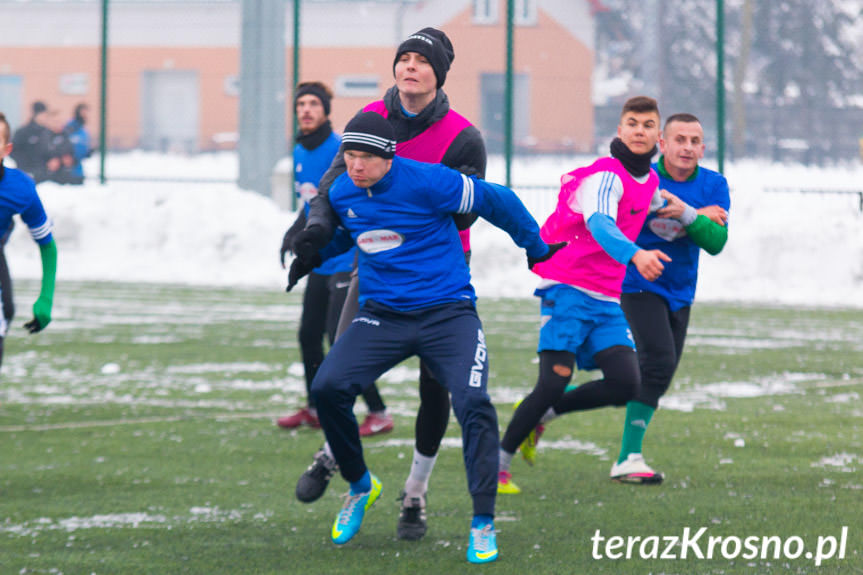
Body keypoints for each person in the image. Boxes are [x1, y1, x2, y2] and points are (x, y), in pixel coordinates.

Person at [285, 112, 562, 563]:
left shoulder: (432, 181)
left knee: (473, 403)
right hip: (384, 317)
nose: (355, 166)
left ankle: (483, 521)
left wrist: (535, 246)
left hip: (447, 315)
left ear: (388, 156)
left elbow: (499, 200)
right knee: (328, 387)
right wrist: (312, 255)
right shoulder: (343, 191)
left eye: (365, 157)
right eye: (350, 156)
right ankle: (360, 485)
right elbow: (351, 235)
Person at [289, 27, 487, 542]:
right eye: (405, 58)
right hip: (374, 268)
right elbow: (332, 188)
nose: (411, 66)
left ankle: (415, 495)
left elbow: (466, 215)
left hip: (441, 282)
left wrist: (406, 203)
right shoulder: (369, 122)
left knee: (435, 391)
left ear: (439, 74)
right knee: (341, 365)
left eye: (423, 60)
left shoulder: (464, 137)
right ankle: (337, 457)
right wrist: (312, 229)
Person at [496, 96, 668, 495]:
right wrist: (637, 254)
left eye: (647, 124)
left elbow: (655, 202)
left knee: (627, 383)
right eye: (632, 123)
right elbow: (602, 224)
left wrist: (697, 212)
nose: (639, 131)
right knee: (552, 382)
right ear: (619, 131)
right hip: (568, 288)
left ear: (657, 134)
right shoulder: (604, 176)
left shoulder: (650, 180)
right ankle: (497, 462)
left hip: (606, 300)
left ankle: (544, 416)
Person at [612, 113, 730, 483]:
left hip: (681, 291)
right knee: (658, 362)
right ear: (662, 144)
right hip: (637, 283)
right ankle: (627, 458)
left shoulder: (714, 185)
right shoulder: (642, 177)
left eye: (695, 141)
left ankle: (552, 401)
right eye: (680, 140)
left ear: (703, 148)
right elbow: (624, 219)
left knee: (646, 374)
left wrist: (689, 213)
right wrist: (690, 215)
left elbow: (716, 242)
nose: (688, 148)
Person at [275, 82, 376, 432]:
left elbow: (337, 203)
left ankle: (378, 411)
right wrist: (293, 232)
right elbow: (312, 204)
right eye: (300, 103)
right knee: (308, 335)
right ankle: (315, 408)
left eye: (313, 104)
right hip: (319, 259)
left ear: (326, 110)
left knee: (339, 336)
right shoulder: (301, 151)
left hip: (343, 254)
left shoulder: (338, 149)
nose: (305, 109)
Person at [0, 112, 58, 369]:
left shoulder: (20, 188)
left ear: (7, 149)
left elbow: (47, 244)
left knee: (5, 312)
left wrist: (45, 298)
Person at [10, 101, 54, 184]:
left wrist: (52, 159)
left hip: (44, 175)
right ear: (36, 114)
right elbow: (13, 150)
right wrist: (25, 168)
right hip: (26, 174)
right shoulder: (23, 132)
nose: (46, 117)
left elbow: (49, 151)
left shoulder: (46, 132)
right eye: (44, 114)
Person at [63, 102, 92, 185]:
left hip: (79, 167)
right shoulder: (71, 126)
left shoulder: (82, 129)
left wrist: (87, 152)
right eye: (83, 112)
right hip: (70, 168)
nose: (85, 115)